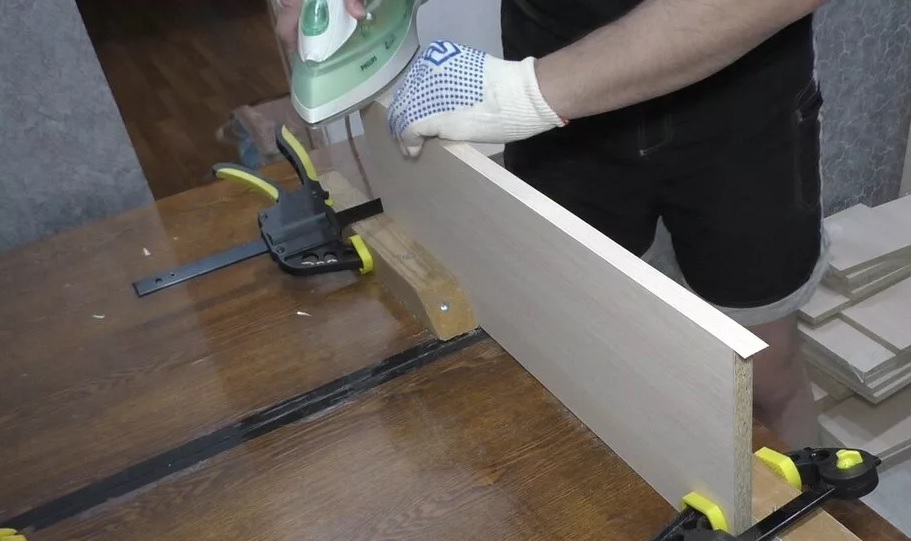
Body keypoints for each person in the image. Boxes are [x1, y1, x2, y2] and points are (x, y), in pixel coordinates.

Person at [276, 0, 831, 448]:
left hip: (736, 97)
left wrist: (520, 96)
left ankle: (817, 528)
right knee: (589, 362)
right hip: (561, 98)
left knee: (765, 374)